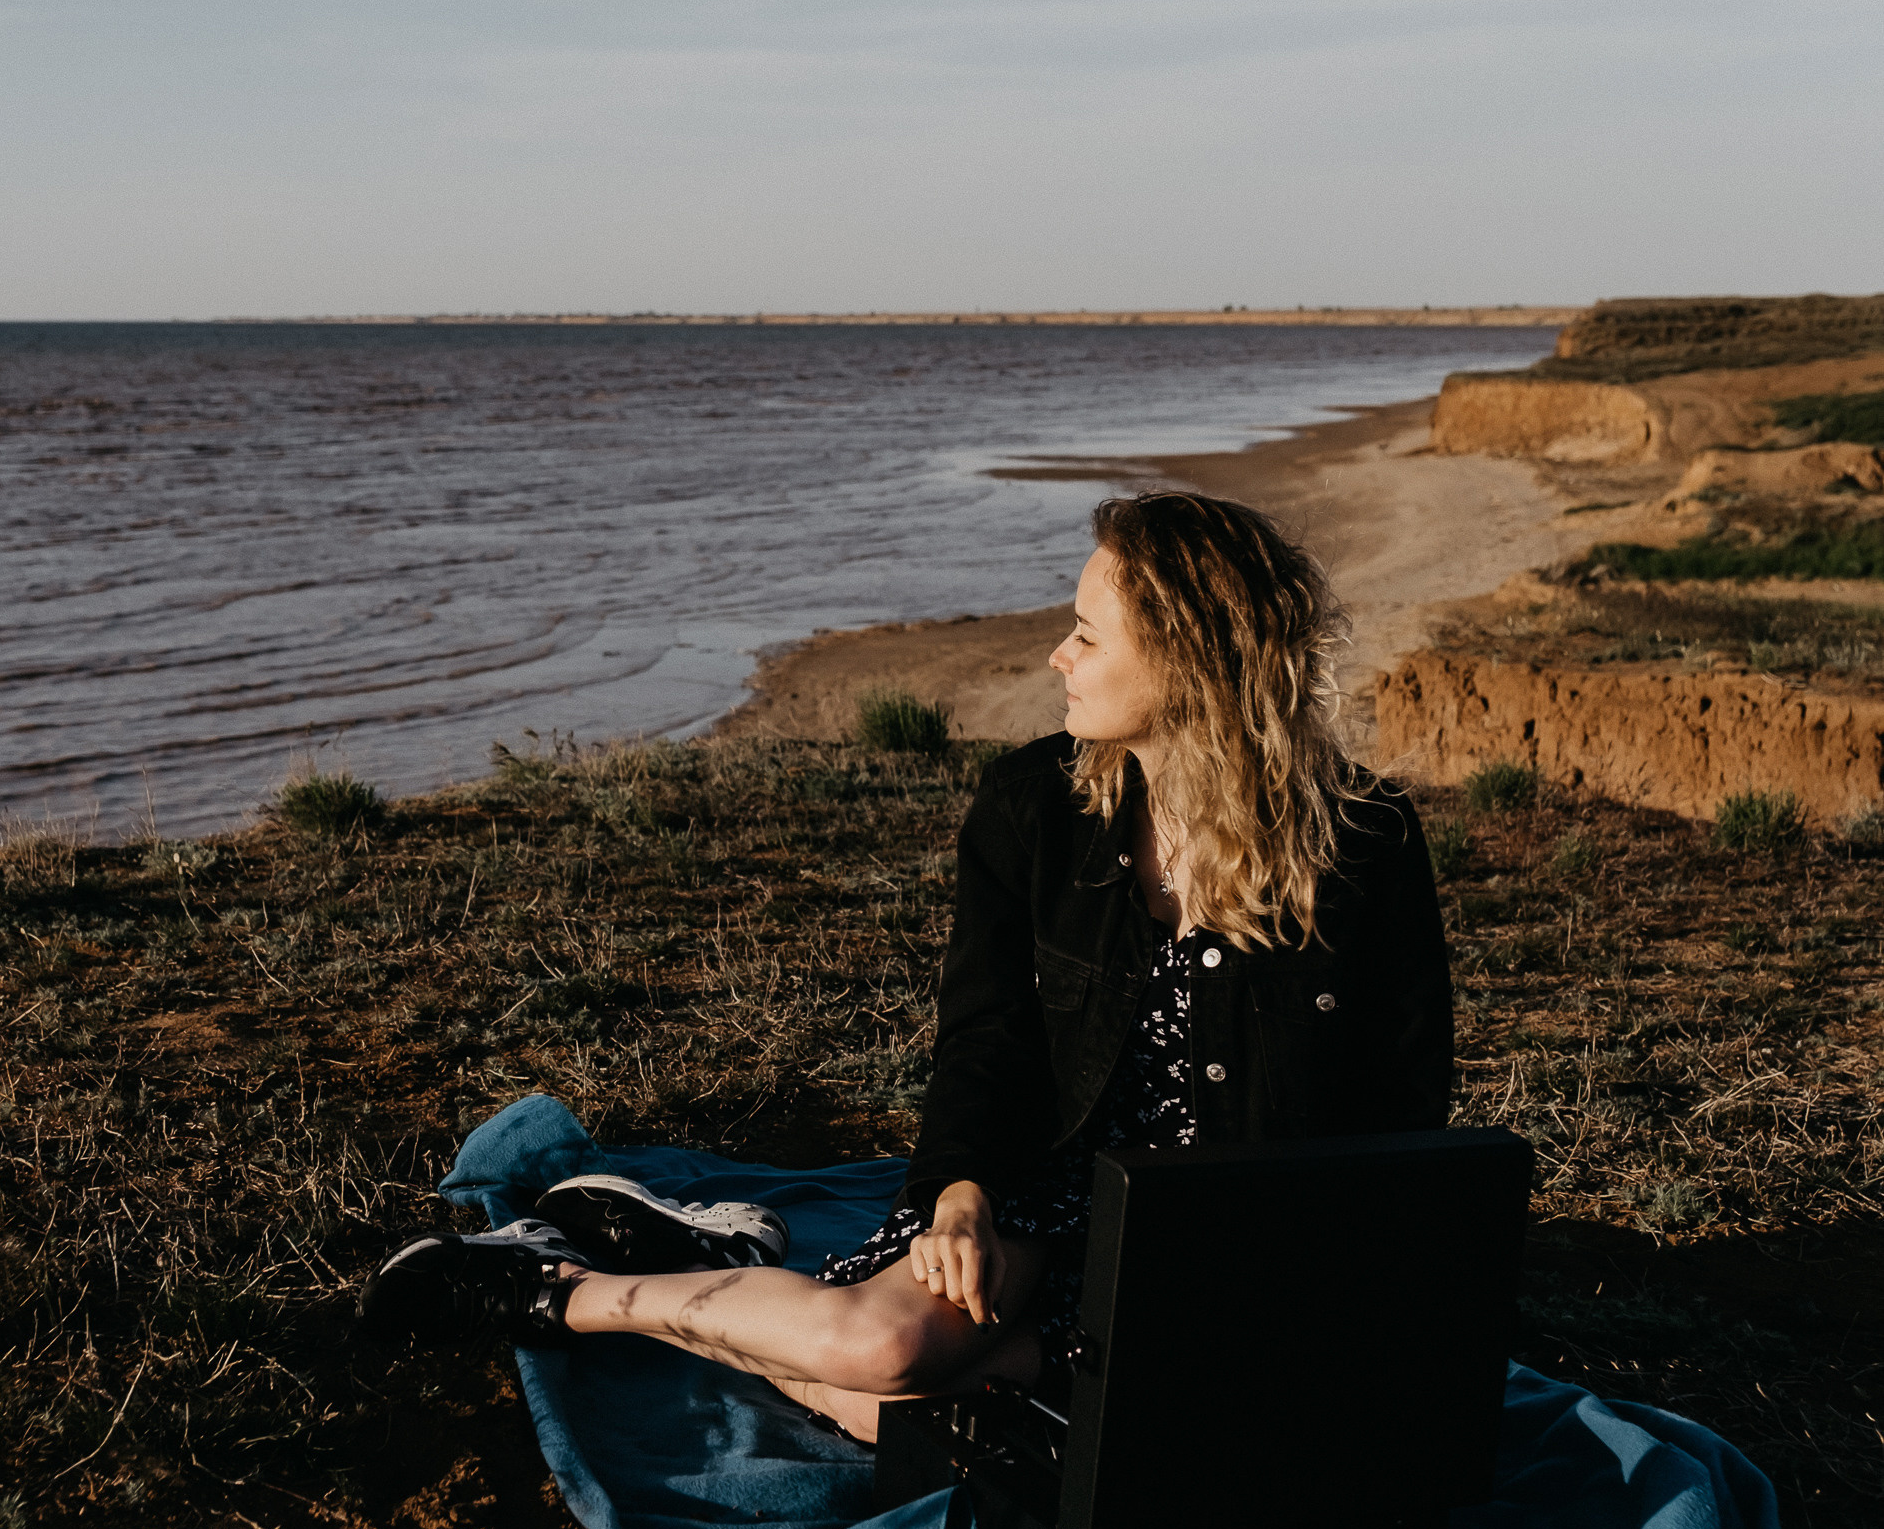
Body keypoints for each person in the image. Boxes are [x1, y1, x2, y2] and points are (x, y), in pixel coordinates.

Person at [363, 490, 1454, 1441]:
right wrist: (961, 1191)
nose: (1054, 657)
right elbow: (986, 1034)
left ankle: (720, 1261)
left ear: (1184, 659)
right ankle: (560, 1291)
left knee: (902, 1415)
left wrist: (1319, 1296)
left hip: (1221, 1251)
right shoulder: (1035, 805)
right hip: (1050, 1182)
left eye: (1084, 634)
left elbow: (1401, 1103)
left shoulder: (1364, 841)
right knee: (887, 1352)